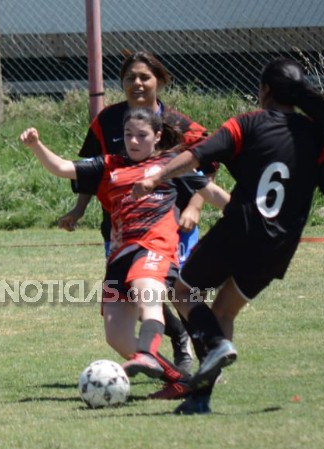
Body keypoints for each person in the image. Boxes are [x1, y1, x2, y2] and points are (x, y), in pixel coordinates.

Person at [132, 57, 324, 414]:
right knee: (222, 310)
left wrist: (156, 176)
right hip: (279, 245)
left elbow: (196, 155)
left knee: (182, 291)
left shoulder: (249, 123)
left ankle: (216, 345)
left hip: (241, 228)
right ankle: (200, 399)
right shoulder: (316, 134)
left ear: (264, 90)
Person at [20, 107, 230, 396]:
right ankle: (179, 381)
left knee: (147, 291)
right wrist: (36, 145)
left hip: (154, 247)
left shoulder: (171, 165)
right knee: (116, 336)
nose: (133, 141)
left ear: (157, 136)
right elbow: (62, 168)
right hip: (120, 255)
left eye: (141, 136)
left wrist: (250, 219)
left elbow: (214, 194)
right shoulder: (110, 164)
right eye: (128, 135)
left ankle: (147, 351)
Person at [57, 51, 216, 374]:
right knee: (139, 294)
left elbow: (208, 166)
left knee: (182, 294)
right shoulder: (107, 121)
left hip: (174, 224)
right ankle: (174, 344)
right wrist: (78, 208)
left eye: (145, 77)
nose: (138, 84)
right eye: (131, 78)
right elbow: (90, 169)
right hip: (121, 230)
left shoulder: (180, 124)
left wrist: (196, 208)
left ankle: (209, 359)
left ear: (159, 80)